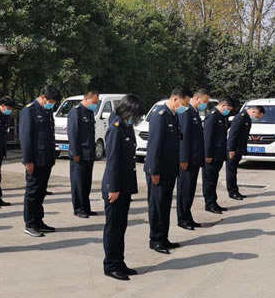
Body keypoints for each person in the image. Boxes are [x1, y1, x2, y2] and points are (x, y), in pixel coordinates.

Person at [102, 94, 144, 280]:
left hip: (124, 185)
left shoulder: (125, 126)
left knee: (121, 226)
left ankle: (119, 261)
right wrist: (113, 187)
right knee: (113, 227)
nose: (136, 118)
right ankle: (111, 265)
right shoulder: (115, 128)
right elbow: (112, 160)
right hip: (115, 187)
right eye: (135, 114)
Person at [144, 87, 191, 254]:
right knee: (157, 206)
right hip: (159, 171)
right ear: (176, 99)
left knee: (165, 205)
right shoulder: (160, 116)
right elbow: (154, 146)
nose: (186, 107)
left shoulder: (173, 115)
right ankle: (156, 240)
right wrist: (154, 171)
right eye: (185, 103)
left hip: (170, 169)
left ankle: (163, 237)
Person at [19, 84, 61, 237]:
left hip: (46, 159)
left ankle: (38, 221)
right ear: (43, 97)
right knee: (33, 192)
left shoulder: (47, 111)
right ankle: (30, 223)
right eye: (50, 102)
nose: (52, 105)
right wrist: (28, 161)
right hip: (35, 160)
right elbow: (25, 138)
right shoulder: (29, 110)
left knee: (41, 192)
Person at [176, 88, 210, 230]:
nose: (205, 105)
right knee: (185, 190)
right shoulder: (186, 112)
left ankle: (188, 216)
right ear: (197, 98)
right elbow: (183, 137)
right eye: (204, 102)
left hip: (195, 159)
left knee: (190, 190)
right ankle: (182, 219)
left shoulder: (194, 112)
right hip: (187, 160)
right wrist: (183, 159)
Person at [68, 89, 99, 218]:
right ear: (86, 99)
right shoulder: (76, 112)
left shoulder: (90, 112)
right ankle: (79, 208)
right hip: (79, 153)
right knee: (78, 183)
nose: (95, 105)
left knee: (86, 183)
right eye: (94, 102)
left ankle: (86, 207)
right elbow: (73, 133)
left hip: (89, 153)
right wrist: (75, 152)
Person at [203, 97, 234, 214]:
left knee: (214, 179)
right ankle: (209, 204)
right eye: (228, 109)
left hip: (218, 155)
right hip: (212, 155)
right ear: (223, 106)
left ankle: (213, 202)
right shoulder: (212, 116)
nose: (228, 112)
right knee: (209, 181)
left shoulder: (221, 116)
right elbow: (208, 137)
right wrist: (208, 155)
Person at [227, 104, 265, 200]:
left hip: (239, 149)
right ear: (254, 112)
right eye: (257, 116)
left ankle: (235, 190)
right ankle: (232, 192)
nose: (257, 118)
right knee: (231, 171)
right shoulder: (241, 117)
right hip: (234, 149)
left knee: (234, 170)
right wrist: (231, 150)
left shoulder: (246, 118)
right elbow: (233, 134)